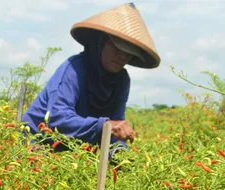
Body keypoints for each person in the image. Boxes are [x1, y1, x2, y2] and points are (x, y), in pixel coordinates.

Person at [21, 2, 161, 157]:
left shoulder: (122, 80)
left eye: (127, 53)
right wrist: (105, 126)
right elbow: (58, 120)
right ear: (100, 43)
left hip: (75, 151)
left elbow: (116, 125)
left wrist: (120, 152)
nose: (121, 56)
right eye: (116, 48)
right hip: (38, 145)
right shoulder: (73, 69)